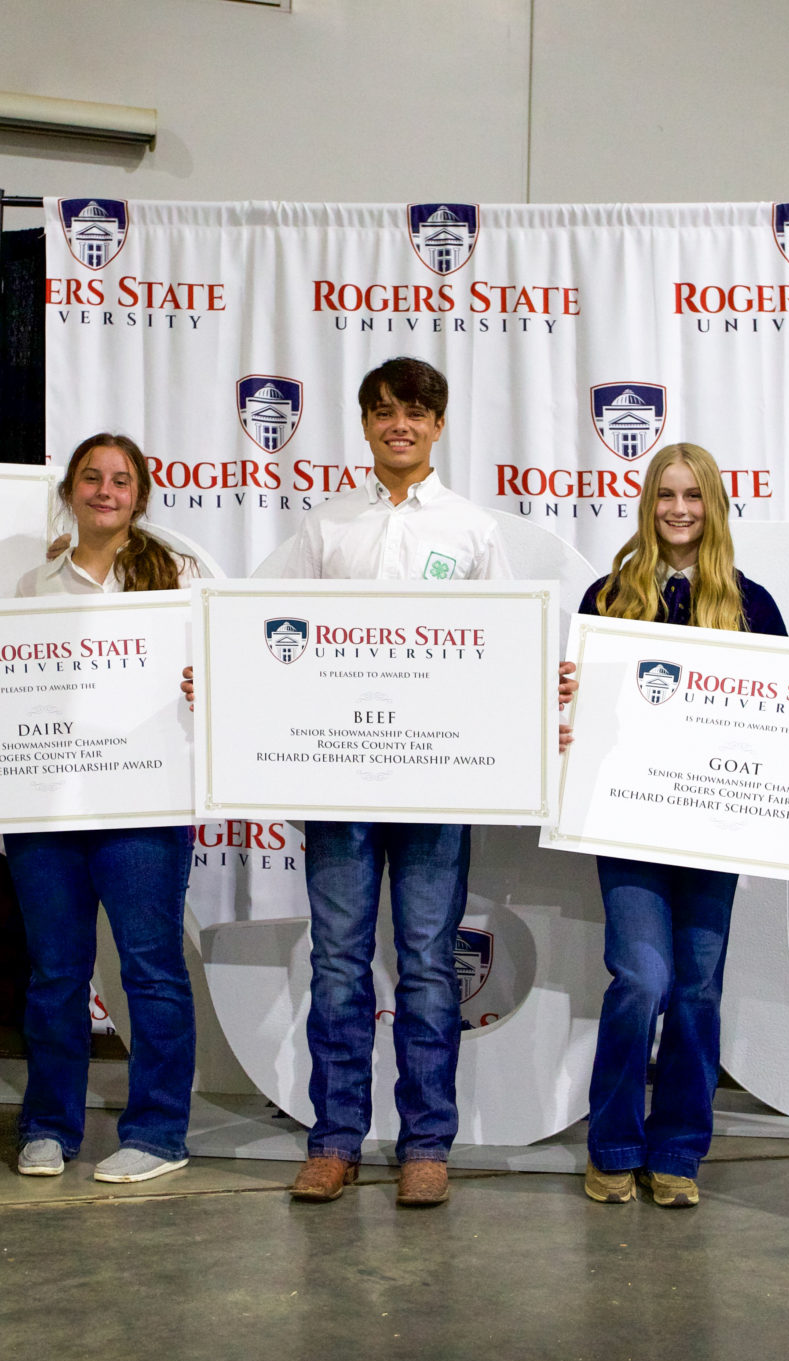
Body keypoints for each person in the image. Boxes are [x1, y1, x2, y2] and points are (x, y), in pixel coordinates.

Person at [242, 356, 568, 1208]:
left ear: (439, 424)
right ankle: (335, 1140)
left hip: (436, 789)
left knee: (427, 967)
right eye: (384, 411)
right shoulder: (325, 528)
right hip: (339, 787)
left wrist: (546, 684)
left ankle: (427, 1145)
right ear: (365, 424)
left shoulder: (471, 530)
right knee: (342, 965)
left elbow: (503, 651)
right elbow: (260, 632)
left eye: (415, 412)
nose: (400, 425)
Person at [575, 442, 787, 1210]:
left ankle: (677, 1150)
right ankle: (612, 1143)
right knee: (642, 978)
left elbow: (785, 718)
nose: (678, 509)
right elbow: (580, 709)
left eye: (694, 495)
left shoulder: (754, 605)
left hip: (714, 828)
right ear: (647, 502)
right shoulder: (607, 596)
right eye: (665, 494)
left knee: (697, 989)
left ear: (716, 506)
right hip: (626, 825)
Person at [0, 434, 200, 1183]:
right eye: (92, 477)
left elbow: (208, 671)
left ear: (139, 495)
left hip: (145, 804)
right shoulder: (32, 586)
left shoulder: (177, 578)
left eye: (120, 480)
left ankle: (157, 1132)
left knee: (149, 970)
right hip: (48, 804)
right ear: (71, 491)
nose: (105, 490)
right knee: (56, 974)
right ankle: (48, 1125)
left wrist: (198, 686)